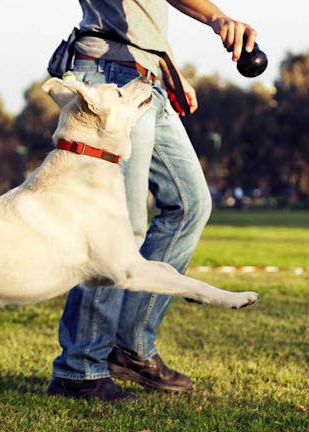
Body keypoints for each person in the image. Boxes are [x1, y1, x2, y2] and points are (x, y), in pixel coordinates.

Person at [47, 0, 259, 401]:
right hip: (109, 75)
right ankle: (81, 367)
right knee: (118, 230)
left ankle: (129, 347)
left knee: (191, 204)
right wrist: (218, 18)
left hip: (148, 79)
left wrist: (167, 66)